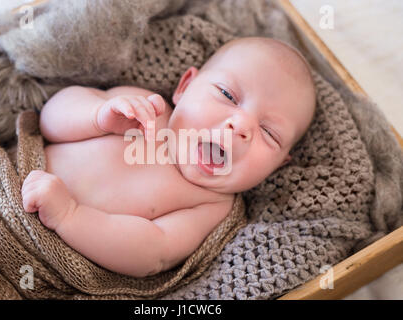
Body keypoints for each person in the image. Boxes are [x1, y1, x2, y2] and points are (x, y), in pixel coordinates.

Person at [21, 36, 317, 277]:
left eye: (269, 133)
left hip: (43, 254)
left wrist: (68, 216)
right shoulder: (144, 109)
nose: (240, 126)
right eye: (227, 96)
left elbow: (150, 255)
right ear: (185, 86)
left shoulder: (211, 206)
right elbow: (49, 120)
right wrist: (96, 117)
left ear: (279, 164)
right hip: (13, 181)